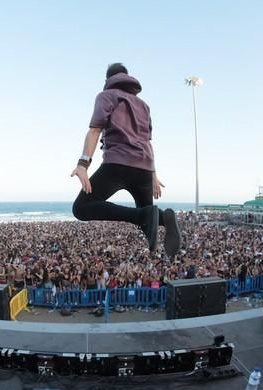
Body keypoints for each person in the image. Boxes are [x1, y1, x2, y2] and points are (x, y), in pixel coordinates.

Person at [70, 62, 181, 257]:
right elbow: (147, 142)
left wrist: (83, 164)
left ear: (107, 80)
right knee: (149, 216)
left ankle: (144, 216)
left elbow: (95, 129)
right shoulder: (144, 106)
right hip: (145, 168)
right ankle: (165, 218)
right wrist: (153, 174)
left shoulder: (106, 96)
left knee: (81, 208)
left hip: (117, 164)